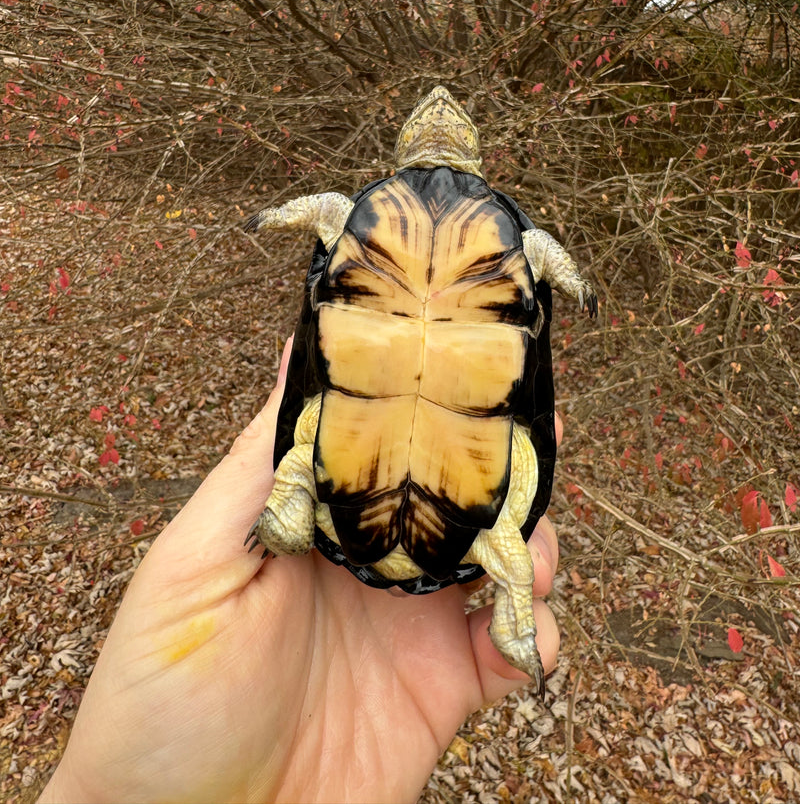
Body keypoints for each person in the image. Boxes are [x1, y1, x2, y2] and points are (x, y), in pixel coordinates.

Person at [39, 342, 560, 804]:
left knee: (303, 466)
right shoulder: (487, 535)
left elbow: (300, 450)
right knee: (513, 559)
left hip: (387, 367)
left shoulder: (461, 530)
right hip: (468, 466)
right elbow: (511, 548)